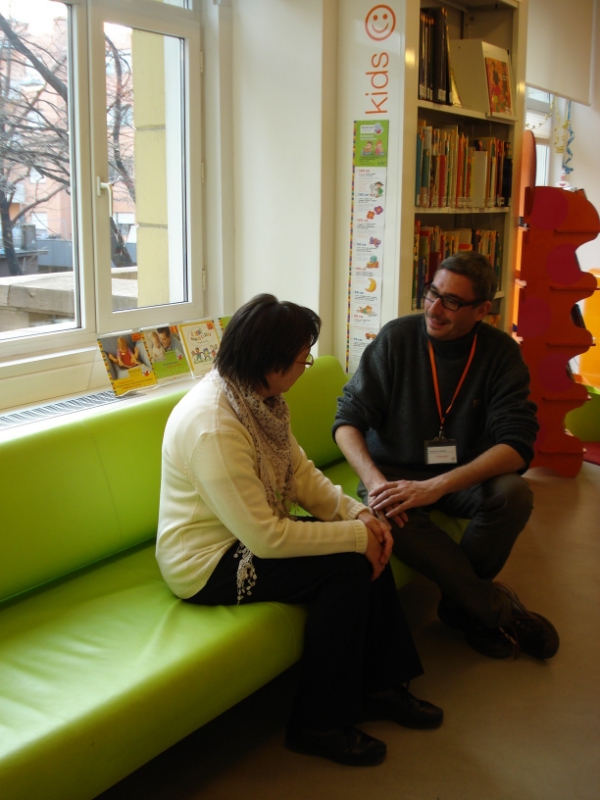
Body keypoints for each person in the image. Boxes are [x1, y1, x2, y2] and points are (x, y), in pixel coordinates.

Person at [156, 294, 442, 768]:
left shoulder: (258, 400)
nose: (305, 367)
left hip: (248, 531)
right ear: (269, 362)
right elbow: (267, 539)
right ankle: (316, 723)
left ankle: (380, 687)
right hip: (206, 562)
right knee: (346, 571)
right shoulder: (214, 426)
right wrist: (359, 537)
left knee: (368, 545)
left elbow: (302, 475)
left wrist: (360, 516)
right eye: (301, 359)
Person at [333, 252, 559, 661]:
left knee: (514, 495)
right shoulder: (397, 338)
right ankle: (490, 611)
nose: (434, 309)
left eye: (451, 301)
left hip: (461, 474)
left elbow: (517, 443)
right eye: (432, 293)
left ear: (482, 310)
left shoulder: (500, 353)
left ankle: (462, 605)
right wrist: (374, 481)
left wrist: (437, 486)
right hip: (392, 473)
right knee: (387, 514)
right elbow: (347, 420)